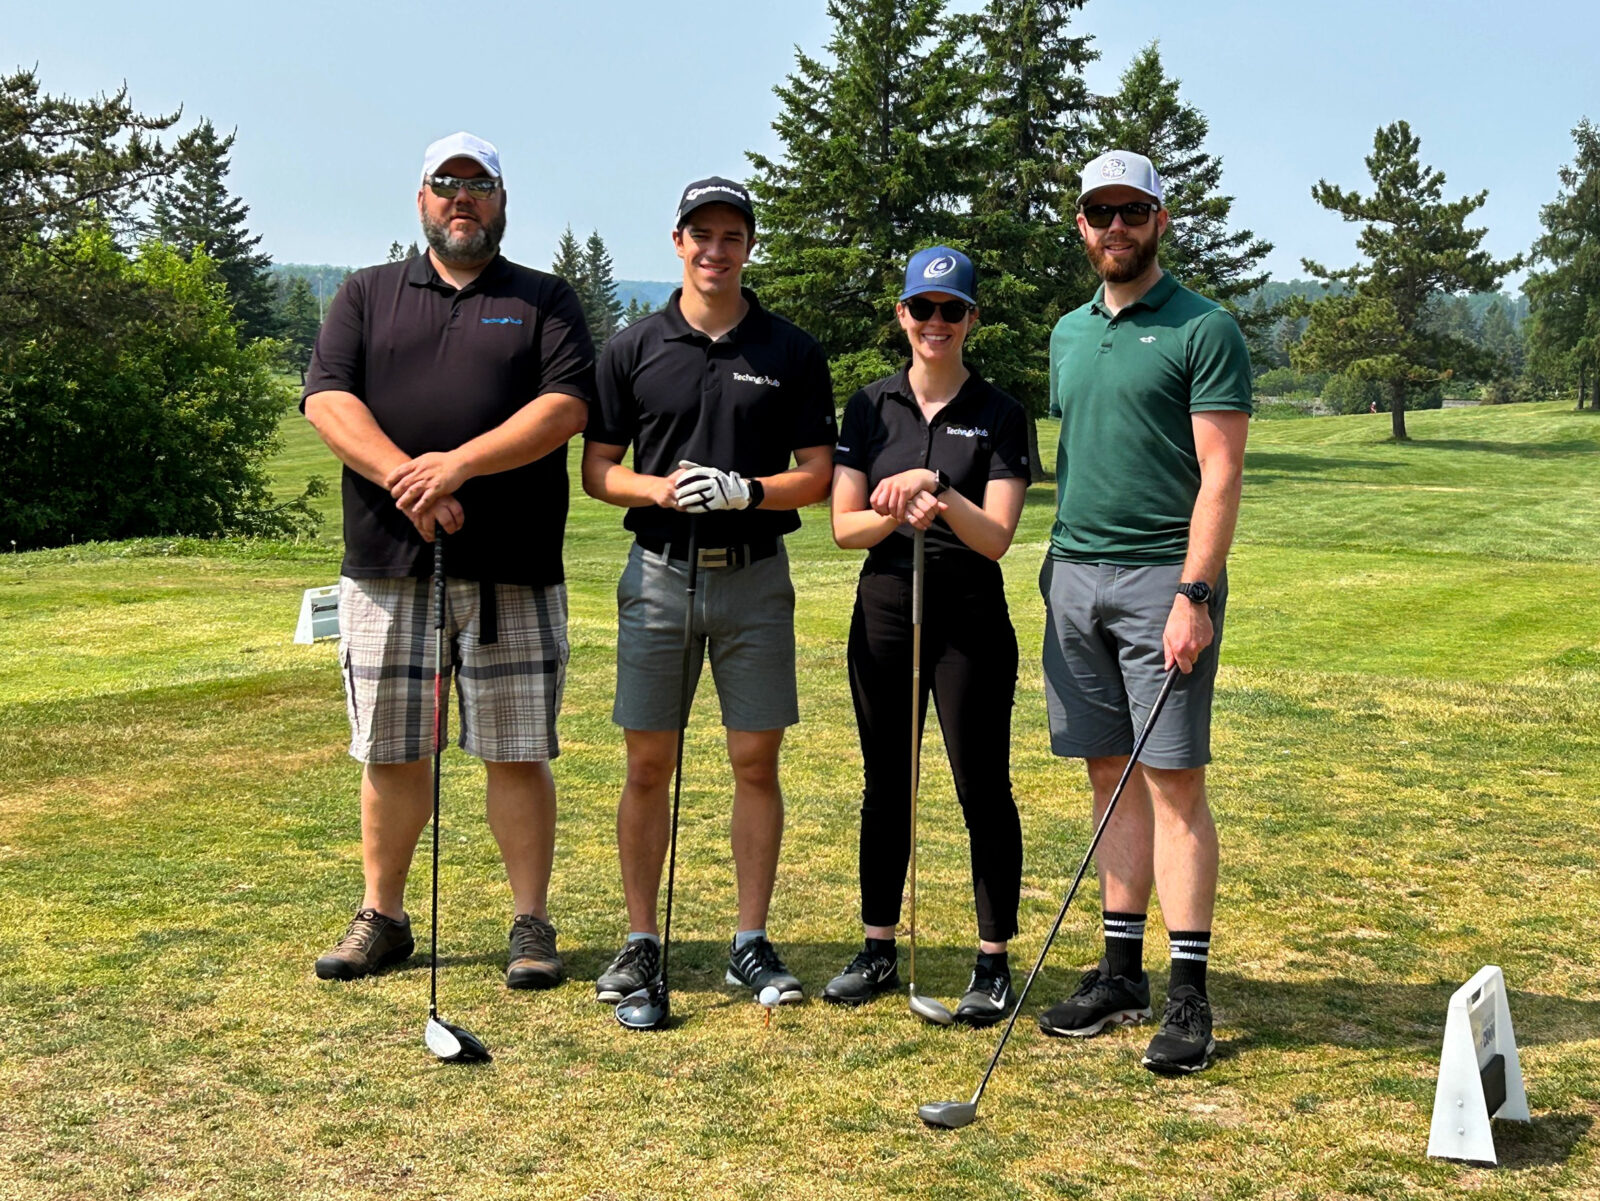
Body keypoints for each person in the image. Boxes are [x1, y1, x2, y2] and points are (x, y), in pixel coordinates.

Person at [302, 132, 594, 991]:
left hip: (513, 566)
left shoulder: (544, 299)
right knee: (392, 750)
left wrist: (457, 466)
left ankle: (531, 922)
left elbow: (565, 407)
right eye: (445, 184)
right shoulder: (367, 294)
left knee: (515, 750)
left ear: (502, 200)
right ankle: (383, 915)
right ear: (421, 198)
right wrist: (407, 476)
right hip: (389, 566)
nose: (460, 199)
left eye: (478, 185)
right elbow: (328, 399)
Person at [581, 177, 836, 1009]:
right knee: (648, 762)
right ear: (677, 240)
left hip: (755, 580)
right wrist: (659, 491)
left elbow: (817, 476)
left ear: (749, 246)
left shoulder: (789, 351)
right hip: (657, 575)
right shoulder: (632, 346)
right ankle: (641, 939)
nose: (715, 249)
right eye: (701, 234)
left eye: (731, 236)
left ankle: (749, 941)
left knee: (754, 760)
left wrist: (746, 492)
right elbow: (597, 470)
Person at [1036, 150, 1251, 1074]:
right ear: (1080, 226)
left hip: (1164, 578)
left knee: (1172, 782)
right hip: (1074, 574)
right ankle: (1120, 970)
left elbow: (1222, 473)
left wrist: (1194, 594)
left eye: (1131, 210)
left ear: (1160, 218)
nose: (1114, 227)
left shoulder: (1206, 328)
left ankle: (1189, 992)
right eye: (1099, 212)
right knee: (1107, 773)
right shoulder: (1068, 333)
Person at [823, 247, 1029, 1026]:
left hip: (970, 611)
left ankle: (992, 958)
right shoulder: (869, 406)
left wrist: (936, 491)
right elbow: (846, 526)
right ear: (902, 315)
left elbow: (998, 535)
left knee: (982, 786)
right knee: (888, 782)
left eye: (952, 310)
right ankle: (879, 944)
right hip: (885, 603)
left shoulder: (1001, 411)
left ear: (972, 319)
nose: (935, 323)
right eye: (922, 309)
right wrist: (896, 507)